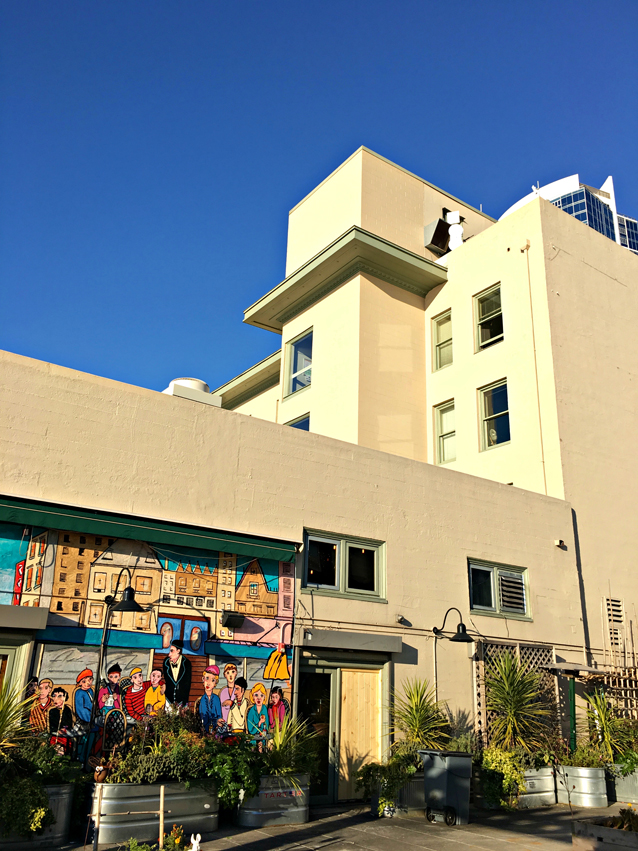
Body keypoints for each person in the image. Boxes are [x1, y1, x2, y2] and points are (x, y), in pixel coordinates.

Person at [162, 640, 192, 705]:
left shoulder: (186, 663)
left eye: (172, 651)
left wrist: (184, 702)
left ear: (178, 651)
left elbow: (187, 684)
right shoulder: (166, 662)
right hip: (168, 700)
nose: (169, 654)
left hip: (181, 701)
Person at [48, 687, 74, 755]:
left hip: (65, 737)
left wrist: (65, 728)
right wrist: (57, 730)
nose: (56, 699)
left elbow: (69, 723)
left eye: (59, 696)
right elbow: (52, 725)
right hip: (55, 736)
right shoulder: (52, 711)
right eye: (54, 696)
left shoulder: (67, 710)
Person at [199, 665, 223, 733]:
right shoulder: (202, 700)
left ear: (215, 683)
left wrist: (219, 721)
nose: (209, 683)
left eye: (212, 680)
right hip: (205, 730)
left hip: (216, 730)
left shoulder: (216, 699)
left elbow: (219, 715)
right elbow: (203, 717)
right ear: (203, 679)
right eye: (207, 678)